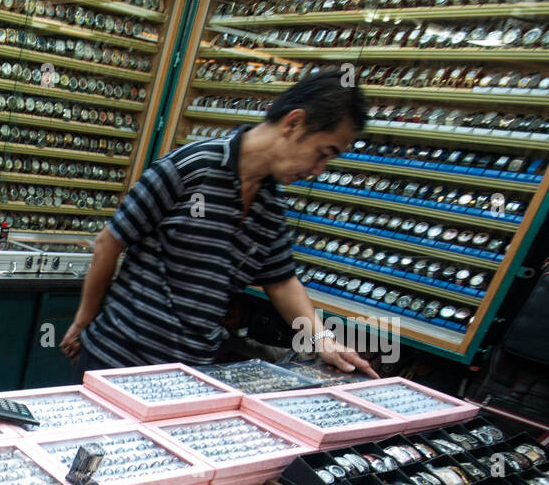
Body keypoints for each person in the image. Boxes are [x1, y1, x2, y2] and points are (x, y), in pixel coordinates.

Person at [61, 70, 378, 378]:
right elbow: (110, 242)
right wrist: (83, 321)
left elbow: (281, 281)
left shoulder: (270, 205)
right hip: (117, 359)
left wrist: (321, 339)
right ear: (294, 123)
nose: (318, 170)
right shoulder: (191, 167)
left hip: (187, 374)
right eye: (323, 153)